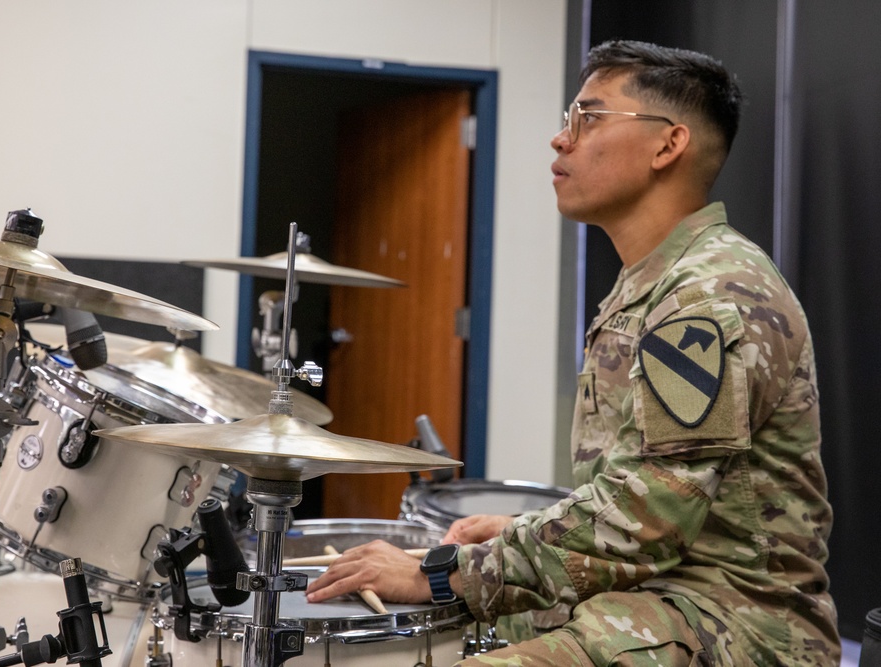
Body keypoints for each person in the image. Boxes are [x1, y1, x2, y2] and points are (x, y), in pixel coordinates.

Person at [305, 39, 840, 665]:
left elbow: (643, 523)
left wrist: (441, 573)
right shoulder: (652, 281)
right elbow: (648, 496)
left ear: (668, 145)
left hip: (735, 622)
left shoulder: (707, 296)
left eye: (589, 119)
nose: (561, 140)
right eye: (567, 120)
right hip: (657, 593)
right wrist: (513, 536)